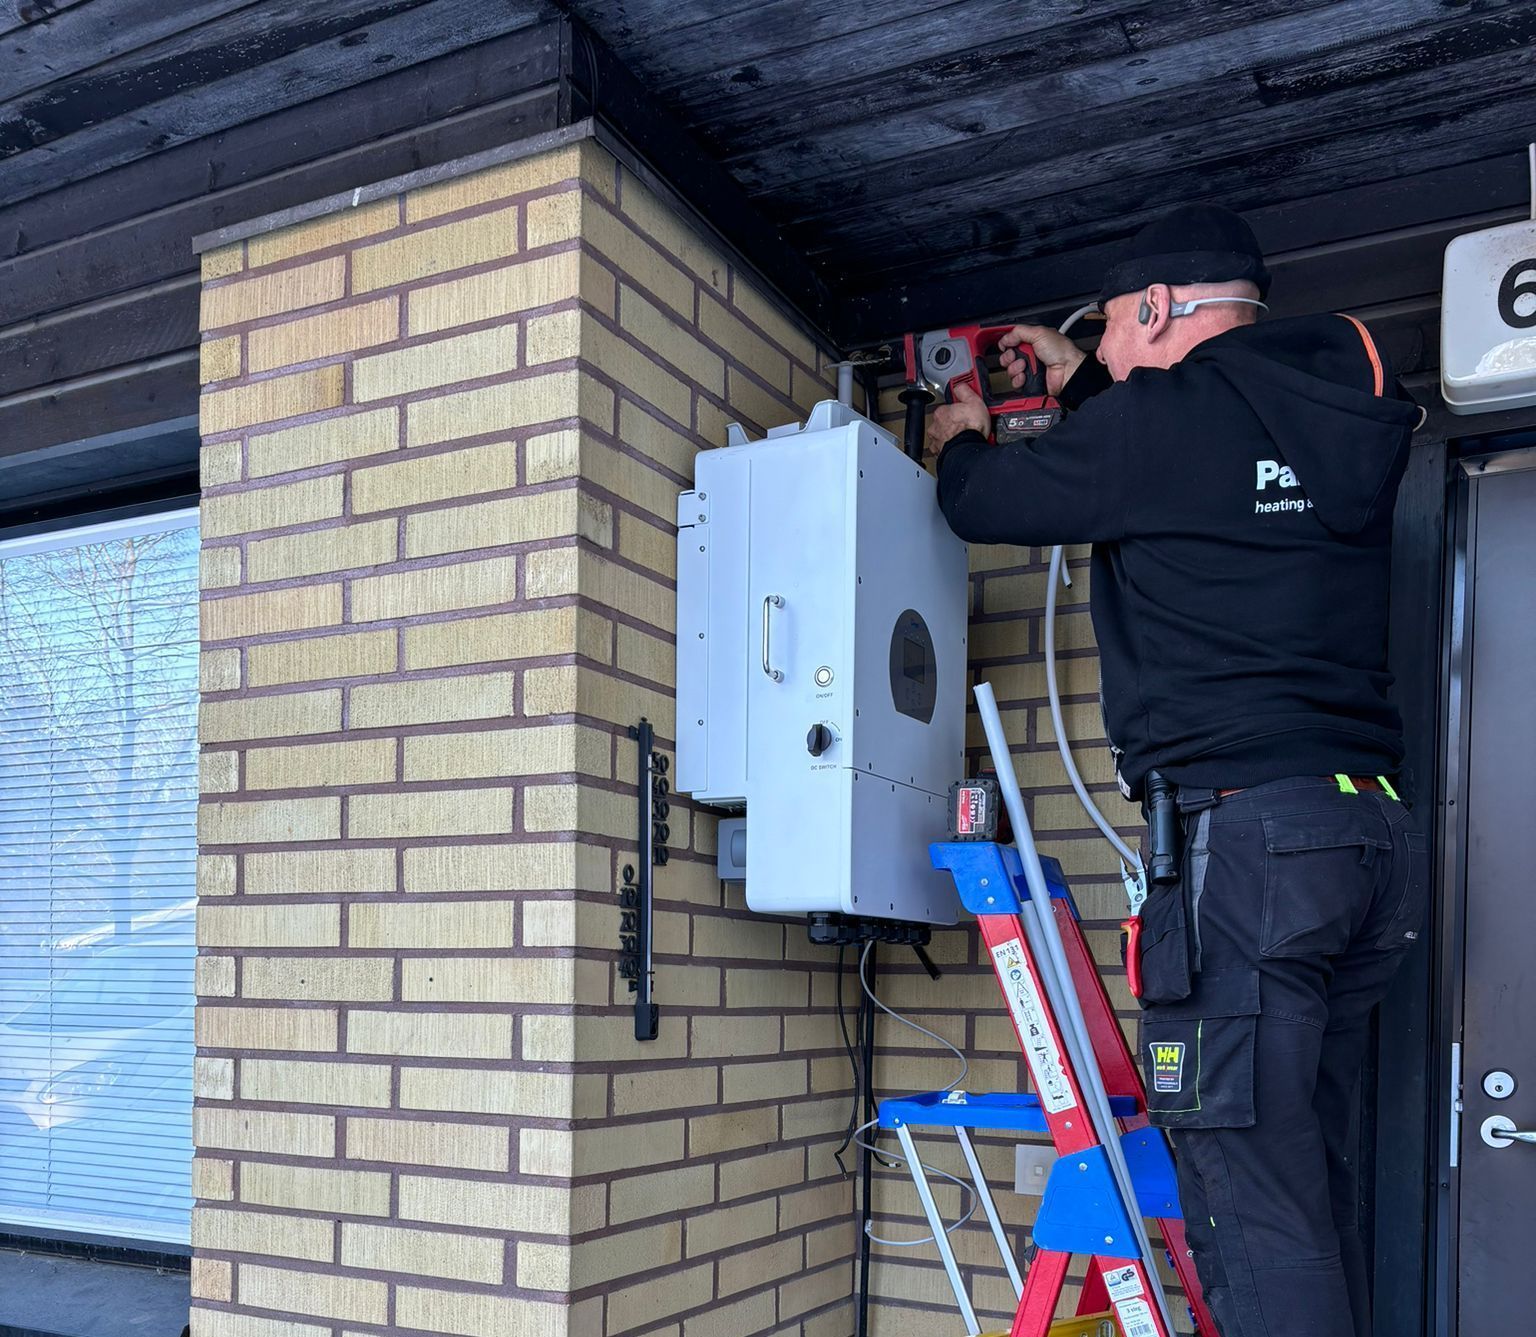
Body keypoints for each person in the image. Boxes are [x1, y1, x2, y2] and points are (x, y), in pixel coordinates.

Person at [925, 204, 1429, 1337]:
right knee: (1310, 1180)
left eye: (1106, 330)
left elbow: (985, 501)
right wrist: (1094, 389)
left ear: (1157, 307)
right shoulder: (1326, 414)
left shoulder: (1161, 424)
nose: (1098, 352)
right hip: (1365, 835)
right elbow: (1195, 459)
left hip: (1251, 849)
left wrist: (960, 430)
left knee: (1245, 1194)